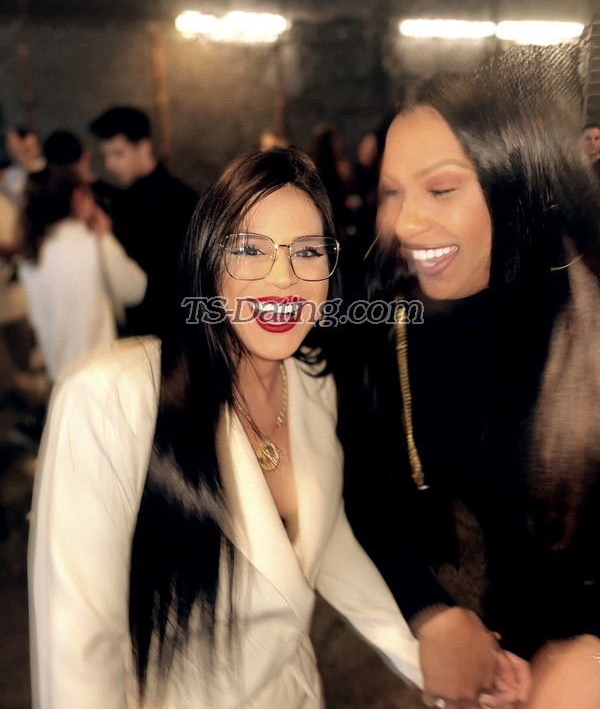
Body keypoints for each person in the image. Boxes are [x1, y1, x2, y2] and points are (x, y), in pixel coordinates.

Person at [28, 148, 427, 709]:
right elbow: (78, 652)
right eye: (250, 249)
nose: (284, 279)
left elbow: (322, 539)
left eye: (307, 251)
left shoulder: (312, 386)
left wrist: (425, 657)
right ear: (209, 261)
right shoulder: (113, 398)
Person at [339, 70, 600, 708]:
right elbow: (367, 480)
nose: (405, 222)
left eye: (442, 189)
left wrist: (590, 648)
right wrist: (432, 612)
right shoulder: (399, 321)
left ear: (519, 183)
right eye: (392, 192)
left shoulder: (586, 308)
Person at [19, 167, 147, 382]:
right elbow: (135, 289)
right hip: (102, 373)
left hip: (62, 378)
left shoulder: (31, 257)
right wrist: (107, 237)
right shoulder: (94, 243)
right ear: (78, 196)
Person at [89, 106, 198, 338]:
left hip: (172, 331)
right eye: (106, 155)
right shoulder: (175, 195)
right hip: (153, 330)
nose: (109, 164)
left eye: (118, 154)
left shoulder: (180, 200)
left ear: (144, 147)